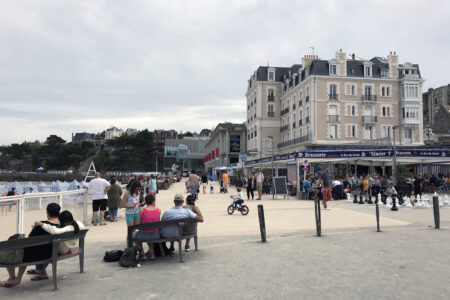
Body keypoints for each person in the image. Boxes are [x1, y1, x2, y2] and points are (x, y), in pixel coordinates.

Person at [1, 203, 61, 286]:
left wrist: (34, 228)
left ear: (47, 212)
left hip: (37, 255)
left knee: (11, 251)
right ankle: (40, 272)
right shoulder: (61, 225)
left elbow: (30, 239)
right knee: (30, 249)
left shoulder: (41, 224)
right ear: (58, 212)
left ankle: (15, 278)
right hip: (51, 252)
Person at [133, 194, 160, 260]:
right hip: (156, 235)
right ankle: (152, 253)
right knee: (150, 231)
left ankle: (142, 253)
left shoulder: (141, 210)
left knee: (134, 234)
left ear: (145, 202)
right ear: (153, 201)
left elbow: (138, 225)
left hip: (145, 235)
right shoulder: (158, 210)